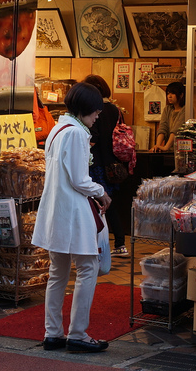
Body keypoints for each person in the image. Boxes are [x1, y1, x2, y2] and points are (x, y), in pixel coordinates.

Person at [31, 81, 112, 354]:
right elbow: (80, 179)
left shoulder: (56, 129)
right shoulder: (77, 134)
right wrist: (101, 191)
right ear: (87, 109)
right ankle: (78, 333)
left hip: (55, 210)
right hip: (73, 213)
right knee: (88, 268)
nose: (98, 116)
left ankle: (53, 333)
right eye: (97, 111)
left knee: (57, 274)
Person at [83, 74, 129, 257]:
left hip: (97, 164)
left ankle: (95, 245)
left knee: (97, 203)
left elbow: (92, 137)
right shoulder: (116, 110)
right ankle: (120, 244)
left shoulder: (95, 110)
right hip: (115, 164)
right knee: (112, 204)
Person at [151, 81, 186, 152]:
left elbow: (176, 130)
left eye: (173, 93)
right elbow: (163, 127)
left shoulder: (186, 109)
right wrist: (157, 146)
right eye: (168, 93)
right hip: (169, 150)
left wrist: (166, 147)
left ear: (181, 95)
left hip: (182, 149)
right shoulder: (168, 109)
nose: (169, 96)